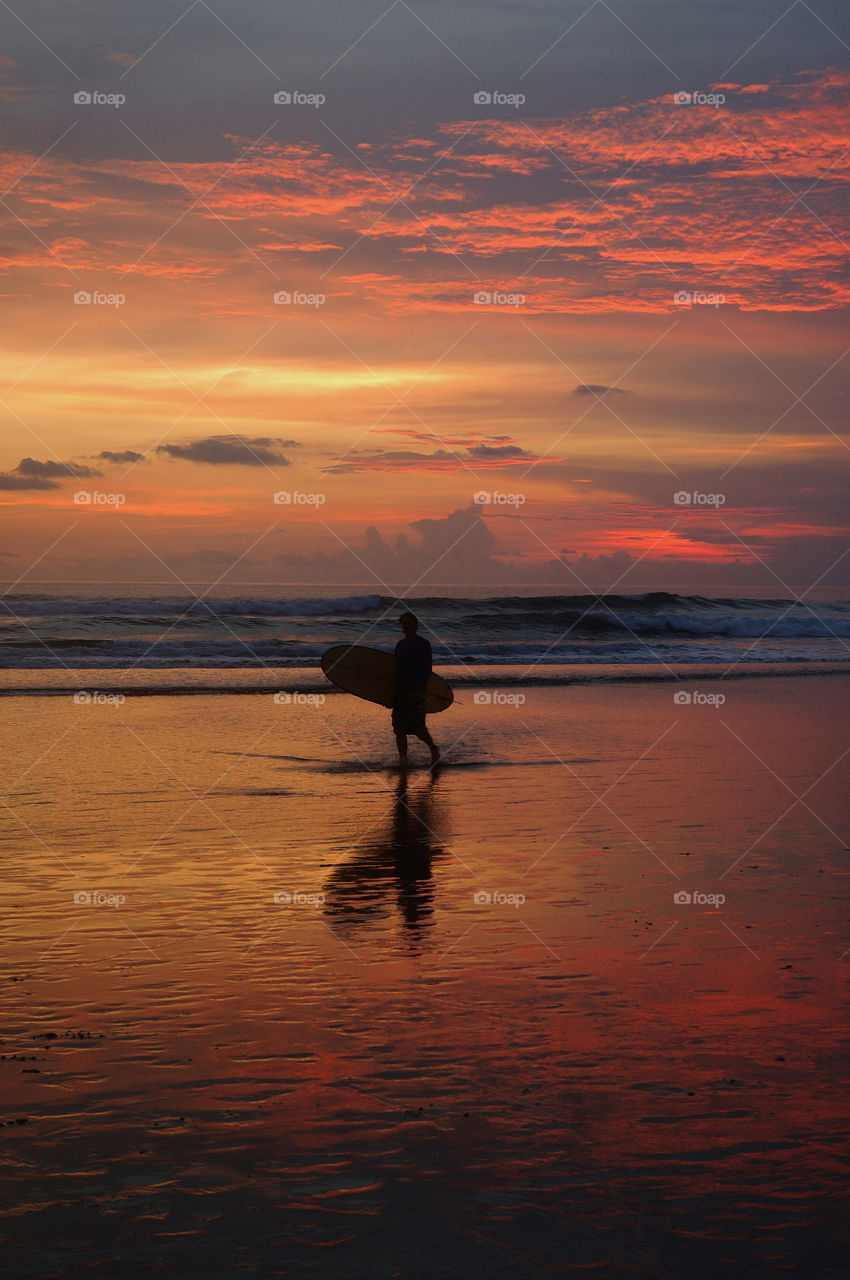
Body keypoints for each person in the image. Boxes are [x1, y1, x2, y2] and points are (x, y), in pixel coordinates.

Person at [392, 611, 440, 767]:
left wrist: (418, 690)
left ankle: (433, 749)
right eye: (404, 623)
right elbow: (395, 670)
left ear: (416, 625)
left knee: (418, 727)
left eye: (410, 623)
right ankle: (403, 759)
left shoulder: (423, 644)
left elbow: (427, 669)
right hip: (400, 690)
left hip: (417, 689)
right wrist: (390, 694)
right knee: (398, 728)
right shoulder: (400, 645)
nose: (407, 626)